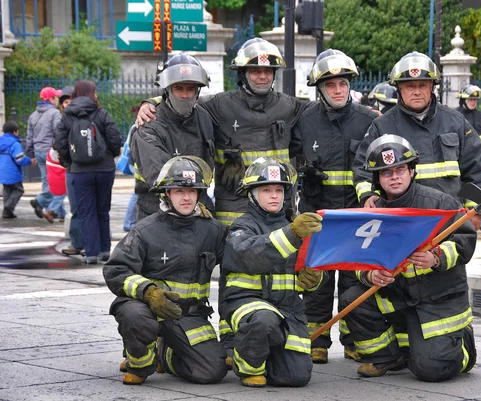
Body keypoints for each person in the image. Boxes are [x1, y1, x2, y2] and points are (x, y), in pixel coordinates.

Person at [135, 38, 307, 364]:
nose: (261, 75)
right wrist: (150, 101)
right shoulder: (212, 108)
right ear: (242, 73)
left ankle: (258, 337)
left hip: (268, 206)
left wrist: (370, 108)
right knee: (197, 273)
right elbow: (176, 97)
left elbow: (324, 111)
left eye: (267, 69)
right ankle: (149, 343)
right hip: (184, 207)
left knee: (271, 268)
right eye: (254, 69)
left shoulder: (287, 105)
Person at [340, 134, 477, 382]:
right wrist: (370, 274)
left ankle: (463, 345)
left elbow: (465, 241)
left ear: (412, 171)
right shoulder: (373, 214)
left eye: (400, 169)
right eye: (386, 172)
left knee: (431, 370)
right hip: (399, 296)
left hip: (437, 299)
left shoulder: (439, 203)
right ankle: (388, 357)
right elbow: (359, 259)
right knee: (353, 298)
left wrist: (436, 258)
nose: (394, 177)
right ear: (377, 179)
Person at [103, 156, 228, 385]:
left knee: (212, 372)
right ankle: (140, 363)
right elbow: (115, 270)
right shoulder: (145, 230)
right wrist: (148, 292)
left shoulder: (214, 231)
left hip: (189, 315)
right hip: (148, 310)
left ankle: (166, 354)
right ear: (167, 194)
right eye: (179, 191)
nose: (187, 197)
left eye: (192, 191)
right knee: (133, 314)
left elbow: (240, 260)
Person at [294, 49, 378, 364]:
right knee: (317, 280)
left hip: (355, 216)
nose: (338, 90)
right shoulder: (304, 120)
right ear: (320, 88)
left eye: (342, 83)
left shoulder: (370, 121)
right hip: (317, 214)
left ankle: (354, 338)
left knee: (353, 280)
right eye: (331, 85)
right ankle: (316, 340)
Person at [352, 52, 481, 231]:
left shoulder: (456, 122)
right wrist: (367, 195)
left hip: (449, 220)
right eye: (410, 86)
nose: (417, 91)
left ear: (432, 86)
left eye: (422, 85)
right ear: (399, 88)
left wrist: (477, 210)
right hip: (400, 222)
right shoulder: (382, 126)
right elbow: (362, 169)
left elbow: (477, 168)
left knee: (447, 259)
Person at [220, 157, 324, 388]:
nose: (275, 195)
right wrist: (292, 234)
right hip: (246, 304)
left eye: (279, 189)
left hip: (287, 309)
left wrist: (313, 280)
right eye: (266, 190)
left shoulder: (295, 225)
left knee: (295, 377)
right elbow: (250, 256)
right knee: (264, 321)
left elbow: (308, 268)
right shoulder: (242, 227)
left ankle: (265, 352)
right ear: (252, 194)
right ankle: (248, 367)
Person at [132, 54, 215, 221]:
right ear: (167, 90)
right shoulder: (149, 124)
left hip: (199, 207)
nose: (185, 95)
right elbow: (162, 178)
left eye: (190, 89)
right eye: (178, 88)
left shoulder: (204, 116)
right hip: (157, 213)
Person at [54, 80, 122, 264]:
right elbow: (115, 139)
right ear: (93, 94)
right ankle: (105, 250)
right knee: (102, 210)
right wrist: (110, 156)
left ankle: (91, 253)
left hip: (80, 171)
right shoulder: (102, 114)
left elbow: (59, 143)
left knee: (86, 211)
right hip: (104, 169)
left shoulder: (67, 117)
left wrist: (70, 162)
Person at [25, 86, 62, 221]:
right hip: (50, 151)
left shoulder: (33, 115)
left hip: (38, 151)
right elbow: (58, 133)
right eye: (56, 97)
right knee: (58, 181)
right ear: (51, 99)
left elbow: (29, 136)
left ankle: (57, 211)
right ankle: (40, 201)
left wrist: (31, 154)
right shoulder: (54, 113)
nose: (58, 100)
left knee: (47, 180)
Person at [58, 85, 85, 257]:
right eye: (65, 102)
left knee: (89, 208)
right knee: (76, 207)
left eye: (70, 101)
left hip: (81, 168)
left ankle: (92, 244)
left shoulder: (83, 116)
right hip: (72, 168)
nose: (67, 105)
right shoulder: (62, 120)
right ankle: (77, 243)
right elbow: (59, 144)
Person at [0, 121, 32, 218]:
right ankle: (8, 207)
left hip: (2, 171)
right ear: (15, 132)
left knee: (7, 190)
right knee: (19, 190)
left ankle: (7, 213)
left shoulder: (1, 142)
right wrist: (30, 161)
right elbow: (20, 159)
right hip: (13, 172)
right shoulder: (15, 143)